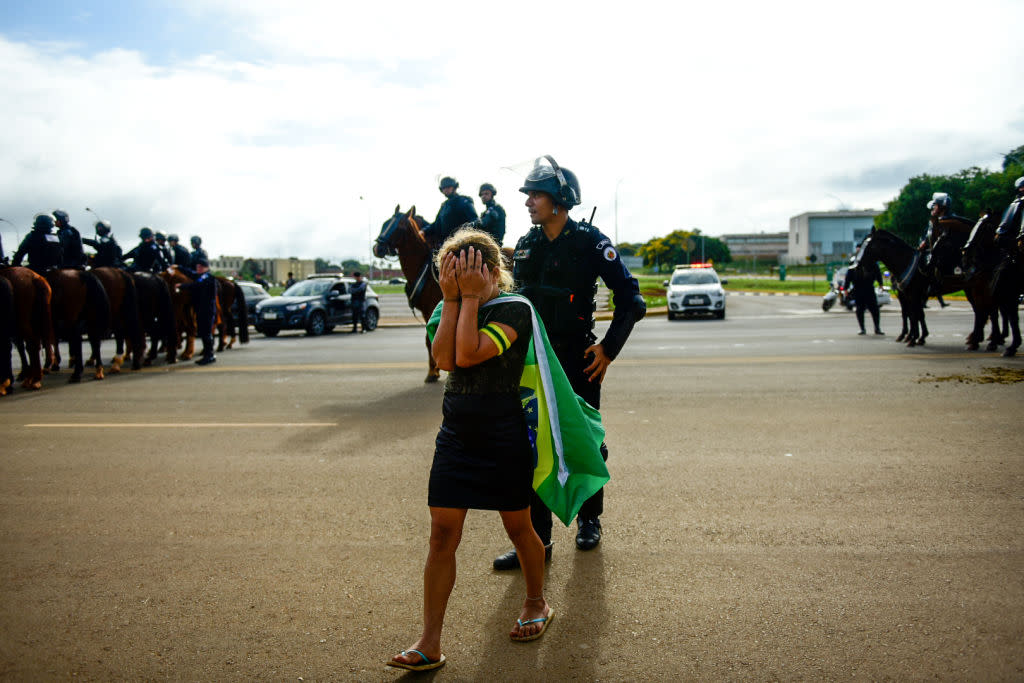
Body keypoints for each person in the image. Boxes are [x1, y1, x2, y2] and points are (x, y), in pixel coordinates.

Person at [387, 229, 551, 673]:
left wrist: (471, 299)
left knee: (519, 528)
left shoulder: (516, 309)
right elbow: (443, 359)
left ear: (492, 271)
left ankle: (536, 601)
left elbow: (470, 351)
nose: (458, 281)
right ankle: (429, 642)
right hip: (456, 434)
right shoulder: (446, 306)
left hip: (503, 433)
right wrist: (455, 300)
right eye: (451, 273)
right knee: (441, 535)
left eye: (467, 272)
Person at [494, 156, 645, 570]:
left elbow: (632, 301)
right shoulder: (526, 244)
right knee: (532, 446)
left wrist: (608, 350)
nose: (528, 201)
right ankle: (537, 541)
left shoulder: (591, 243)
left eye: (536, 194)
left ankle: (589, 519)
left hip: (578, 361)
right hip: (532, 363)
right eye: (527, 194)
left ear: (560, 200)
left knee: (585, 443)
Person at [174, 256, 218, 365]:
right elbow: (192, 274)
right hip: (201, 309)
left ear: (206, 268)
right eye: (197, 266)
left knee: (206, 333)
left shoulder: (208, 278)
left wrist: (182, 285)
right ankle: (208, 354)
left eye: (200, 267)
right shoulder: (202, 276)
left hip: (206, 310)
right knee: (204, 333)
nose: (198, 268)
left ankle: (209, 355)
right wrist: (179, 267)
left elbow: (197, 285)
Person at [421, 176, 478, 249]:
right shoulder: (444, 206)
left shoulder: (464, 202)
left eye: (448, 187)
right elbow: (436, 225)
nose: (446, 190)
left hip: (462, 245)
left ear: (454, 187)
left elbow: (475, 221)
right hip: (445, 246)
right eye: (444, 188)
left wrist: (462, 233)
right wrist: (424, 230)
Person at [845, 259, 884, 335]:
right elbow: (849, 275)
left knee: (874, 309)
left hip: (869, 288)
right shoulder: (854, 261)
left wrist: (880, 284)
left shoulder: (871, 261)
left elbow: (877, 272)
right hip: (858, 289)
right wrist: (846, 287)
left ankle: (877, 328)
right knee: (859, 309)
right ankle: (862, 329)